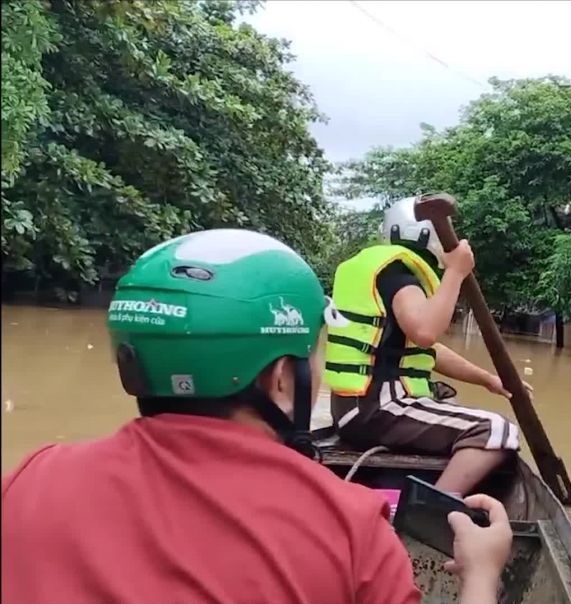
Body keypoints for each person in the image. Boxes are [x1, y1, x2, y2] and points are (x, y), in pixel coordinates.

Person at [1, 229, 512, 604]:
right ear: (280, 380)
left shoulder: (26, 480)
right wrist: (480, 578)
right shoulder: (349, 528)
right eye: (313, 349)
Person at [327, 195, 523, 495]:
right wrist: (456, 272)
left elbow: (427, 351)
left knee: (447, 400)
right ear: (427, 235)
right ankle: (427, 509)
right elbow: (425, 333)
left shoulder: (386, 273)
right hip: (378, 408)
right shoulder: (400, 277)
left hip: (356, 410)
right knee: (496, 429)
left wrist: (487, 380)